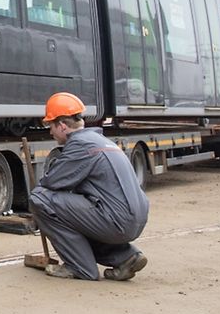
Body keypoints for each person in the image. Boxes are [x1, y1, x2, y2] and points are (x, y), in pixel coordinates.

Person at [28, 92, 150, 281]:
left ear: (62, 126)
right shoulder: (100, 141)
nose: (50, 132)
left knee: (40, 199)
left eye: (50, 126)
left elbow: (50, 183)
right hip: (132, 218)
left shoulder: (80, 146)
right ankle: (126, 257)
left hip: (117, 220)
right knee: (75, 214)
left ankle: (79, 267)